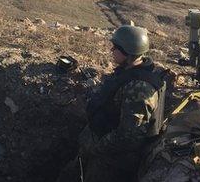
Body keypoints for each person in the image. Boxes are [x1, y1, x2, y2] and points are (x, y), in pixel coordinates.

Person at [57, 25, 167, 182]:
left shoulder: (139, 88)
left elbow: (129, 136)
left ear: (127, 52)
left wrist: (97, 148)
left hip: (110, 161)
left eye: (115, 47)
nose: (111, 50)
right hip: (97, 148)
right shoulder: (128, 72)